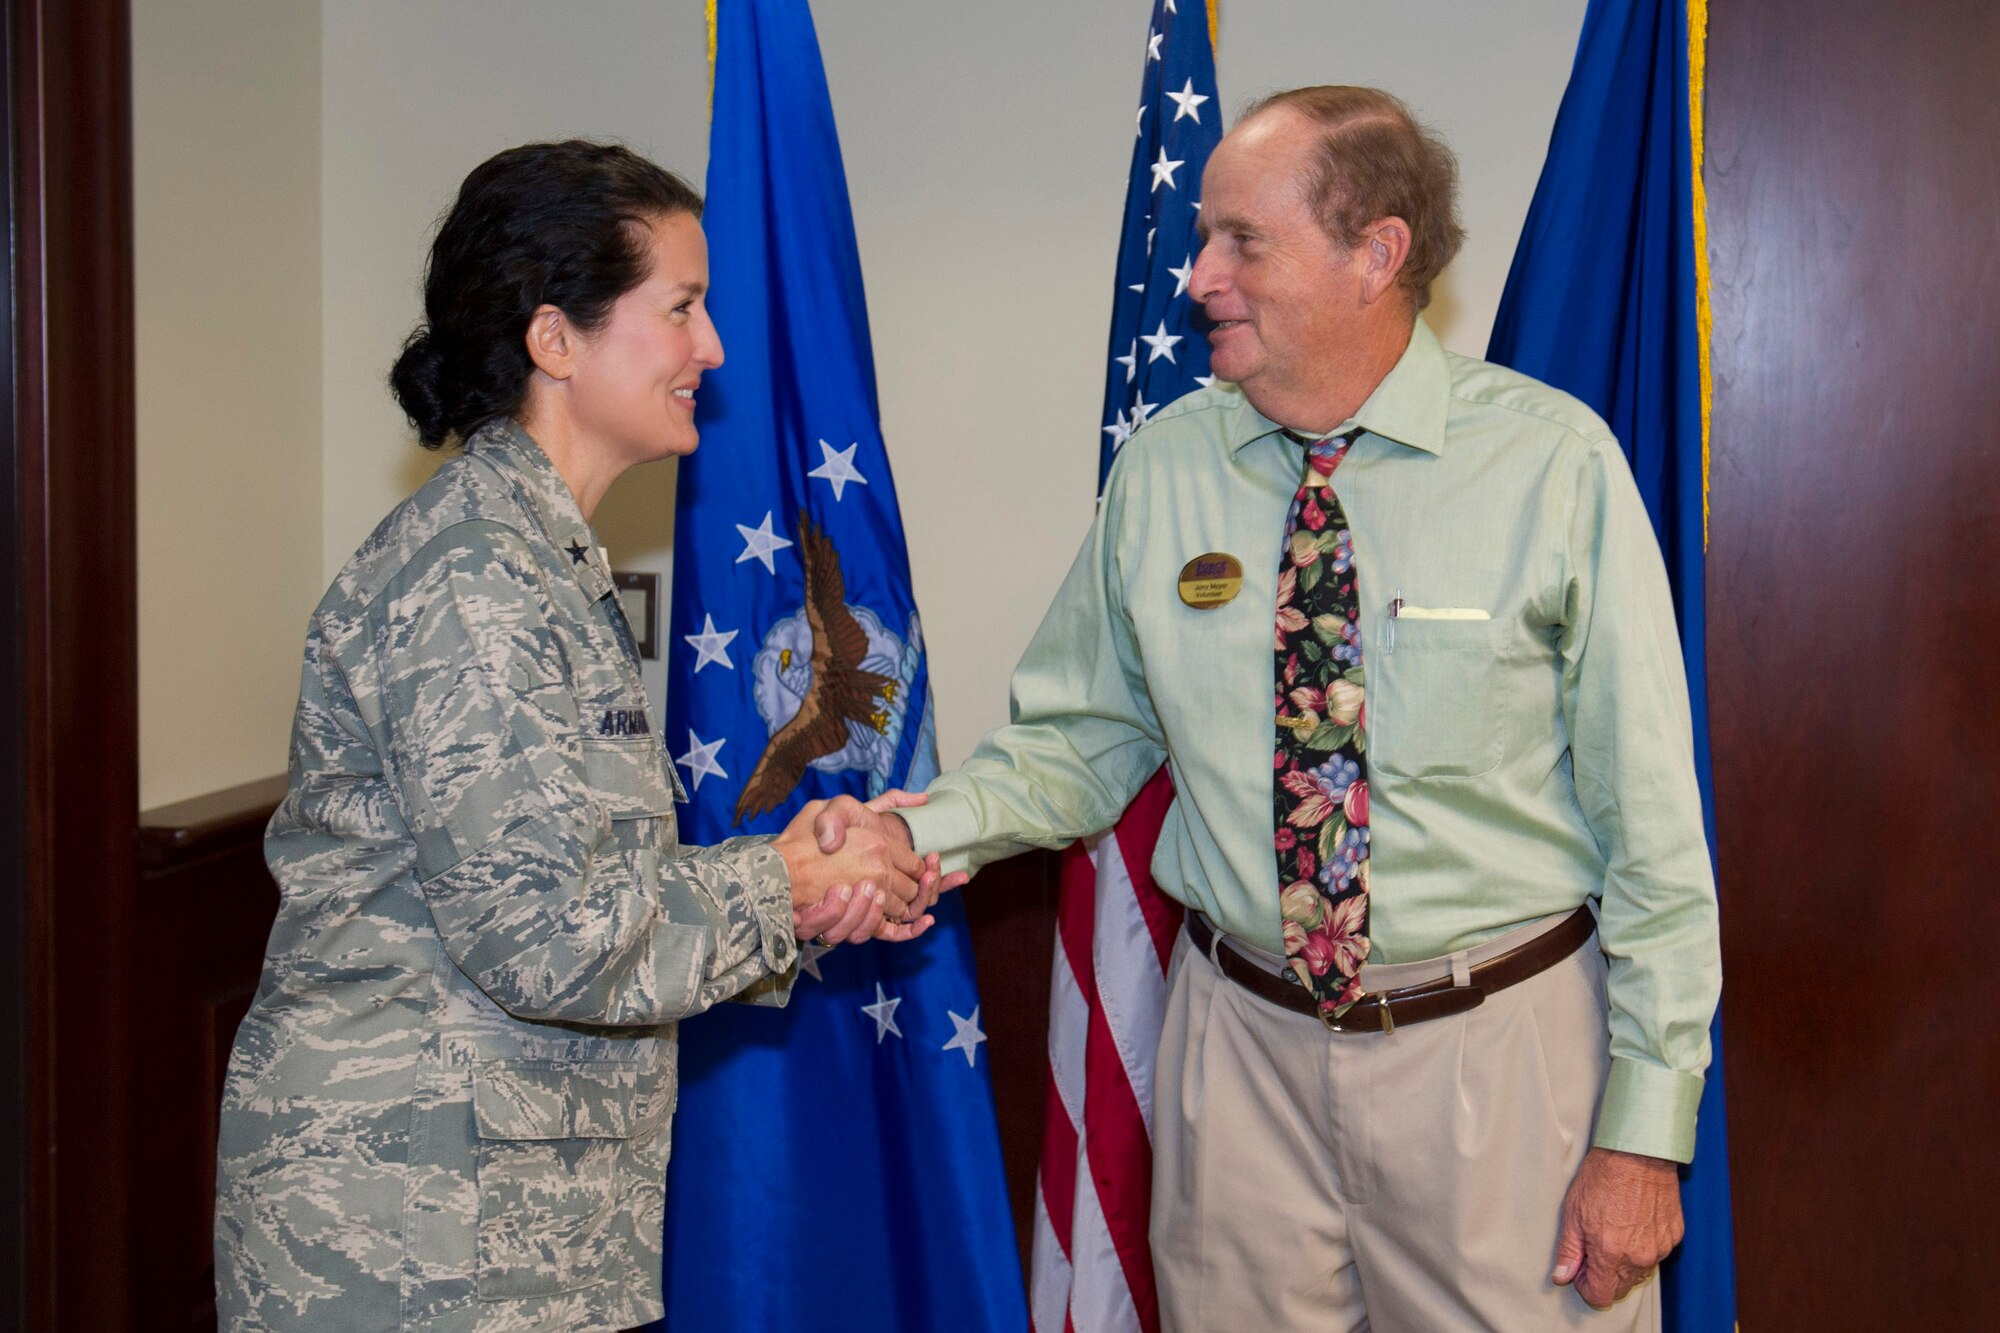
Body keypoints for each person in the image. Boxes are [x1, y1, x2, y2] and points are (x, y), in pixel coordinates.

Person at [834, 87, 1722, 1330]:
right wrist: (911, 836)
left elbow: (1653, 835)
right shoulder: (1166, 469)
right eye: (1203, 235)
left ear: (1376, 253)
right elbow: (1076, 741)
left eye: (1240, 240)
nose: (1198, 275)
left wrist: (1641, 1135)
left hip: (1496, 1058)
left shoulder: (1552, 468)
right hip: (1239, 1054)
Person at [213, 141, 945, 1332]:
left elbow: (579, 887)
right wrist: (787, 883)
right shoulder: (475, 578)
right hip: (408, 1240)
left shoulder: (537, 558)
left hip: (503, 1225)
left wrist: (801, 885)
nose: (712, 349)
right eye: (681, 308)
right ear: (555, 339)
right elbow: (545, 933)